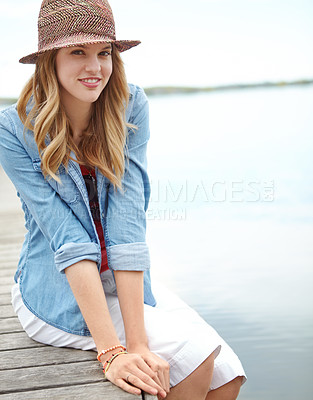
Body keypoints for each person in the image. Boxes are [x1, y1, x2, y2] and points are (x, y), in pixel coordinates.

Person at [0, 1, 246, 399]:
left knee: (227, 375)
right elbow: (67, 239)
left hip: (119, 276)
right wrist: (113, 351)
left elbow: (127, 222)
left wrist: (139, 343)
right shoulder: (14, 129)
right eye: (77, 51)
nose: (94, 66)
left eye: (104, 52)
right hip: (56, 286)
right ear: (49, 60)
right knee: (196, 360)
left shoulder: (130, 105)